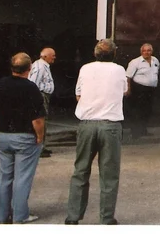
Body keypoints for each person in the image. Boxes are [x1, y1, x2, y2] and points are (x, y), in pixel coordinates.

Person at [65, 39, 129, 225]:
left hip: (87, 124)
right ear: (114, 54)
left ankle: (73, 217)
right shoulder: (119, 70)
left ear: (95, 54)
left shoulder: (85, 69)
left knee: (80, 170)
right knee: (109, 174)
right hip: (110, 125)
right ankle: (106, 218)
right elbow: (125, 91)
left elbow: (78, 95)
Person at [0, 52, 45, 224]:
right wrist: (40, 137)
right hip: (25, 136)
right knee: (23, 177)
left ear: (12, 67)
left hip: (4, 135)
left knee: (4, 176)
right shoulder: (31, 88)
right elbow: (38, 119)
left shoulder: (1, 84)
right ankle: (20, 216)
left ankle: (1, 215)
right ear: (30, 68)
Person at [126, 43, 160, 138]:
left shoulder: (155, 60)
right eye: (144, 51)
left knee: (147, 110)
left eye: (148, 50)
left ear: (151, 51)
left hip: (151, 89)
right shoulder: (135, 62)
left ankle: (143, 130)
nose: (146, 52)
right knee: (138, 111)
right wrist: (128, 89)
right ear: (141, 52)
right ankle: (135, 132)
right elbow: (128, 77)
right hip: (139, 89)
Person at [28, 47, 56, 157]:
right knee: (41, 120)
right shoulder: (40, 67)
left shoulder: (43, 66)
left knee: (43, 120)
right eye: (52, 55)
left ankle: (41, 146)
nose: (54, 57)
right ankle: (39, 148)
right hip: (41, 95)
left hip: (43, 95)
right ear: (45, 56)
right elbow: (33, 83)